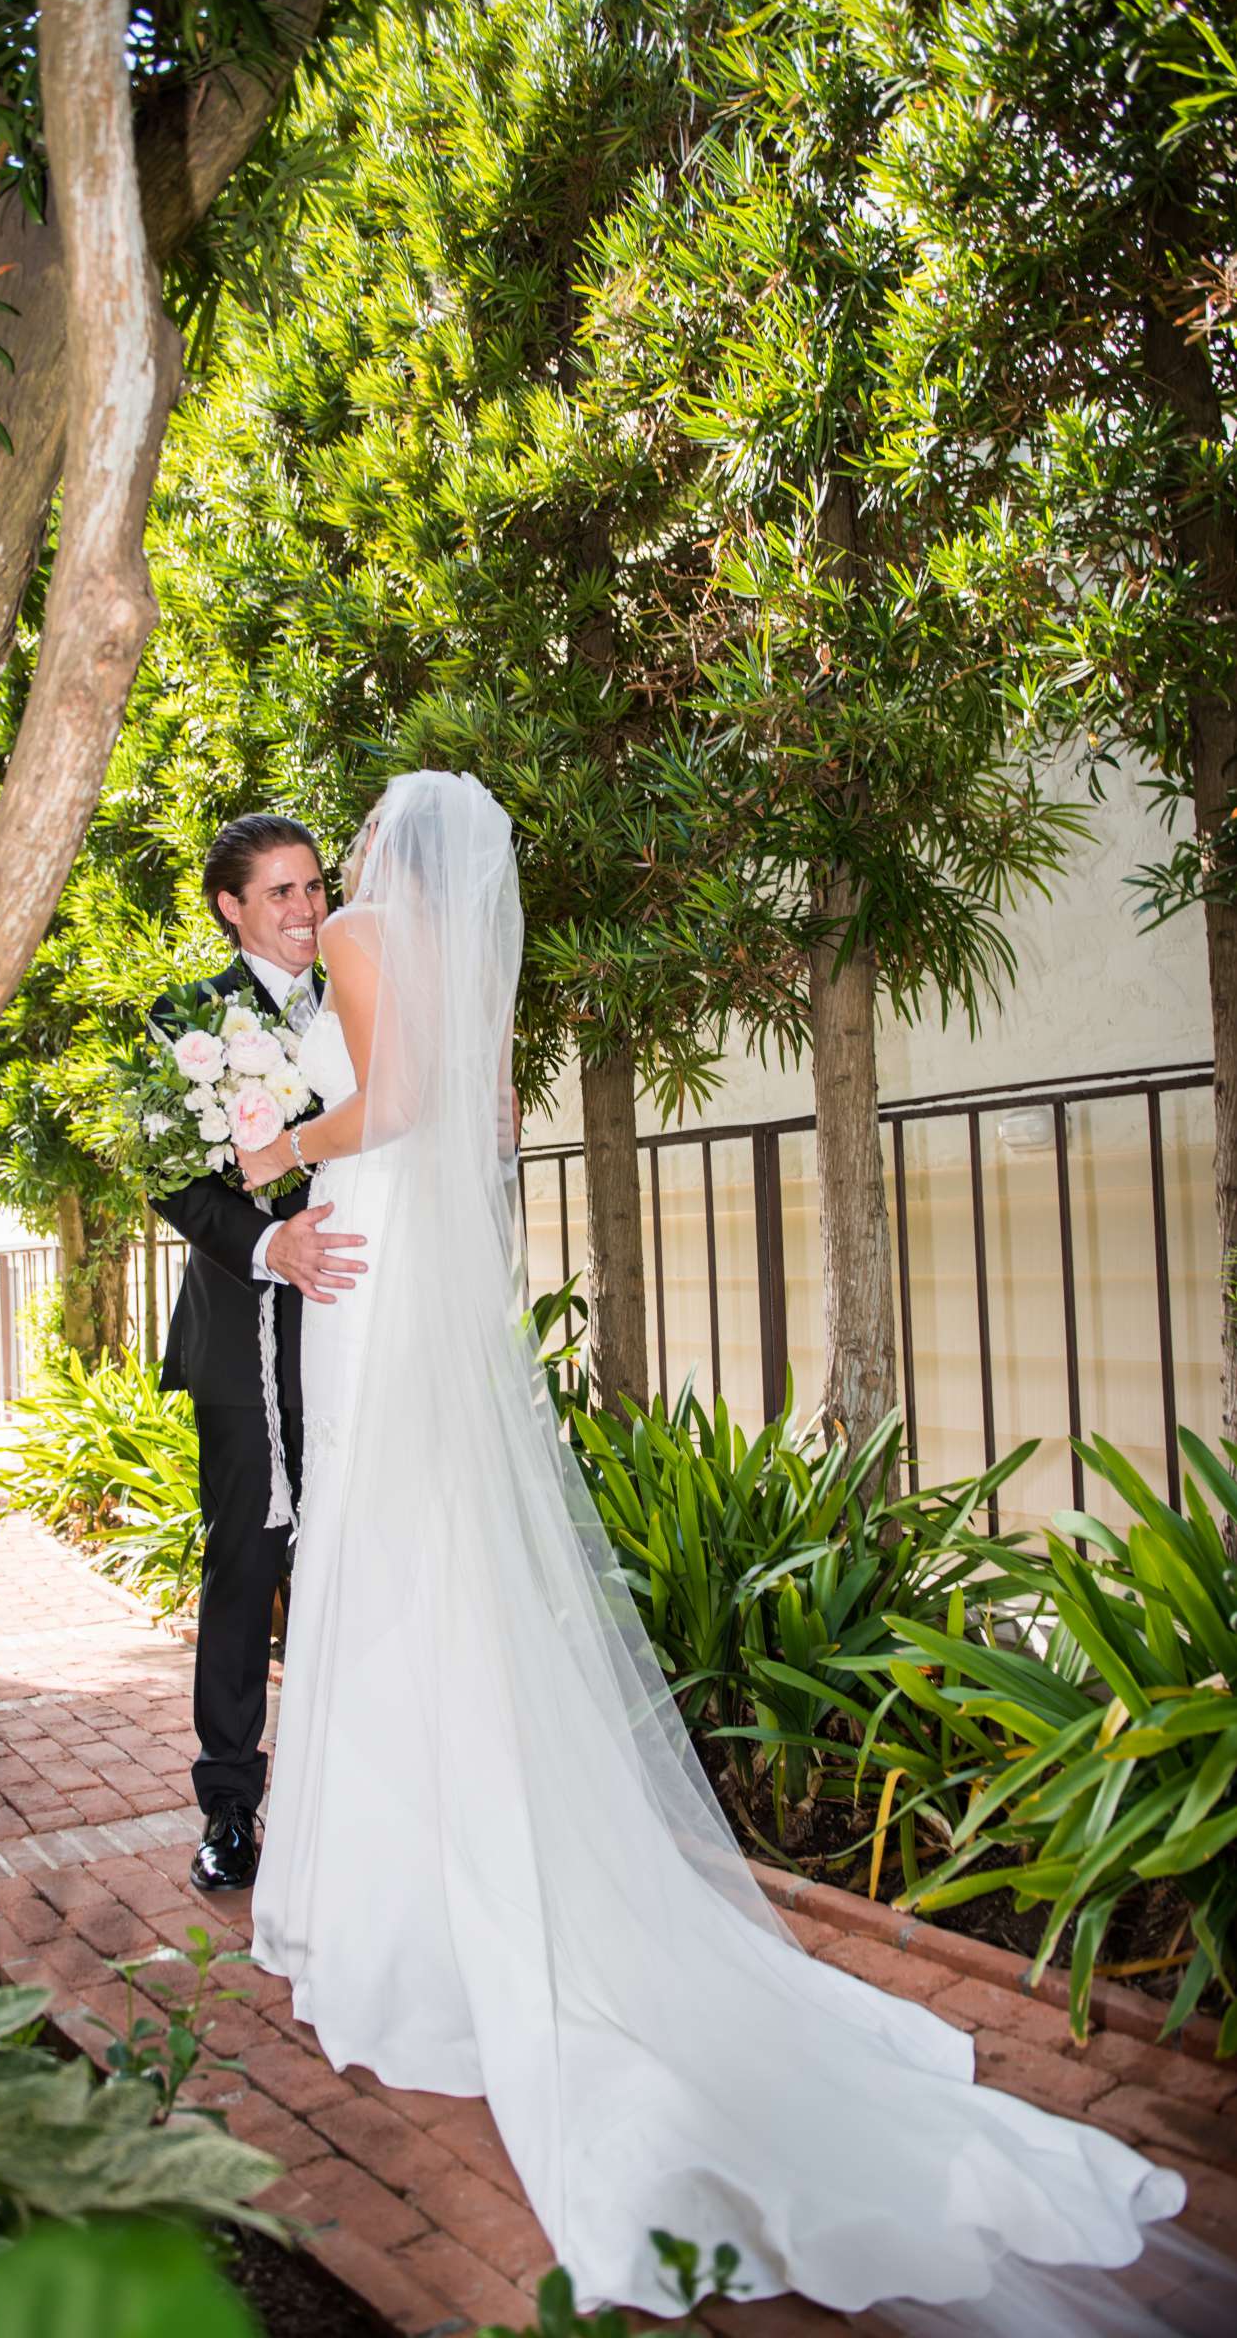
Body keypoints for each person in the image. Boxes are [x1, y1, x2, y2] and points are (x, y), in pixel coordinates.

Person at [233, 769, 1209, 2331]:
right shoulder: (459, 957)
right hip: (417, 1268)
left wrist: (279, 1147)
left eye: (349, 848)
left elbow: (401, 1111)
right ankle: (437, 1884)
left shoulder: (361, 930)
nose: (334, 873)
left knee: (385, 1557)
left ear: (376, 855)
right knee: (434, 1569)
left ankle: (406, 1919)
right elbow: (478, 1116)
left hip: (366, 1255)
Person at [150, 814, 368, 1893]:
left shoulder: (360, 995)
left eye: (314, 887)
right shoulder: (187, 1020)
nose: (305, 909)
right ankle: (230, 1807)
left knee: (357, 1555)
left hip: (358, 1324)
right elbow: (171, 1177)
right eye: (279, 892)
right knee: (247, 1565)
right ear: (231, 907)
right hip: (243, 1332)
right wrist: (272, 1240)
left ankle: (354, 1791)